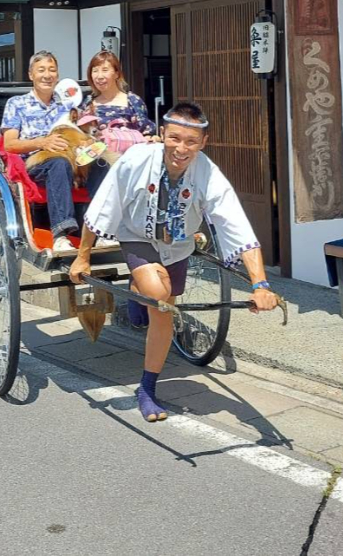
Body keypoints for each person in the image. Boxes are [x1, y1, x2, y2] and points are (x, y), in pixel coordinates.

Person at [70, 101, 279, 422]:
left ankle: (145, 381)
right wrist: (83, 256)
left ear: (203, 143)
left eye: (191, 142)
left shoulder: (207, 172)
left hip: (178, 246)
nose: (182, 149)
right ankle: (148, 387)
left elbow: (235, 224)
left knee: (162, 307)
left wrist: (260, 283)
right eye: (175, 138)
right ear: (163, 133)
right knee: (159, 296)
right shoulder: (137, 159)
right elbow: (104, 204)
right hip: (137, 234)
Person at [0, 51, 107, 250]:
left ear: (57, 76)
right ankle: (61, 235)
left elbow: (85, 128)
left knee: (101, 163)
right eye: (41, 70)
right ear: (31, 75)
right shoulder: (16, 104)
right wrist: (42, 142)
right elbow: (10, 144)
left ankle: (102, 230)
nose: (47, 75)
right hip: (39, 159)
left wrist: (86, 142)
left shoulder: (68, 104)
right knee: (59, 164)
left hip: (74, 156)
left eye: (52, 70)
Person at [84, 50, 157, 141]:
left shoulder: (132, 101)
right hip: (96, 153)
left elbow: (146, 132)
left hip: (129, 153)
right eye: (95, 71)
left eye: (105, 70)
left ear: (117, 74)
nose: (99, 76)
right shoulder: (88, 103)